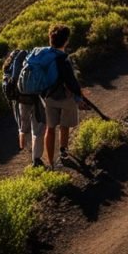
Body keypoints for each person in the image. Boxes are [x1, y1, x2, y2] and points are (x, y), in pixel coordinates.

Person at [38, 24, 84, 168]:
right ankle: (63, 153)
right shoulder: (64, 59)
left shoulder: (44, 56)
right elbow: (71, 82)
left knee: (50, 128)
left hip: (49, 97)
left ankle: (51, 162)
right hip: (66, 98)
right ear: (66, 41)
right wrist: (79, 99)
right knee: (65, 125)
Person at [3, 50, 45, 167]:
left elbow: (6, 89)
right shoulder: (30, 63)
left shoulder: (7, 70)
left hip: (19, 101)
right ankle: (36, 158)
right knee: (38, 128)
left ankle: (29, 149)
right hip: (35, 99)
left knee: (23, 126)